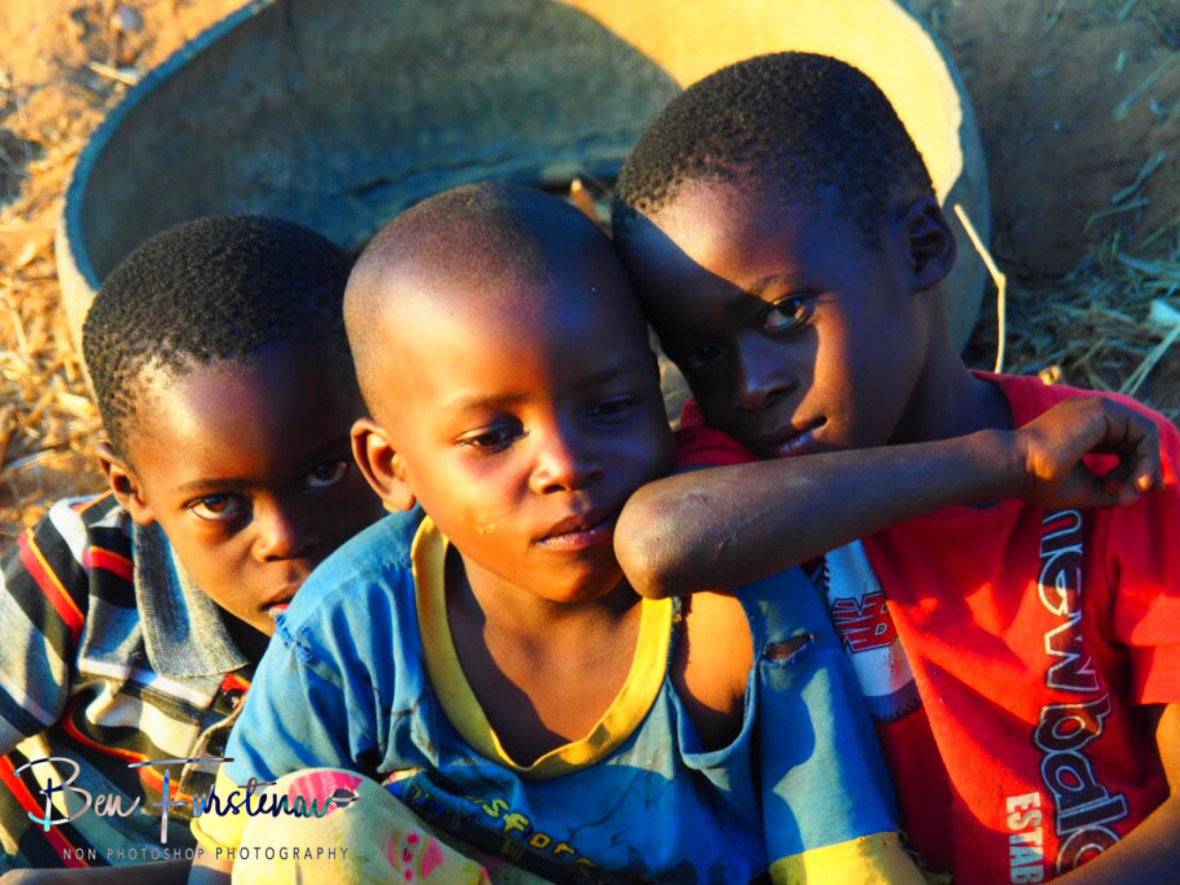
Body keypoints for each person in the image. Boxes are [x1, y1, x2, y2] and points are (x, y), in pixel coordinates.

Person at [189, 183, 1159, 885]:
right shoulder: (351, 628)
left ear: (660, 401)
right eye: (492, 436)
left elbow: (842, 861)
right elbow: (228, 863)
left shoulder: (742, 612)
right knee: (309, 835)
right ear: (390, 466)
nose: (564, 464)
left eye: (610, 406)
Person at [610, 51, 1180, 883]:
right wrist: (1000, 464)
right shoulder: (743, 476)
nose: (750, 383)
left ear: (922, 247)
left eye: (785, 312)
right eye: (701, 352)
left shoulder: (1113, 464)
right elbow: (658, 542)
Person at [0, 216, 383, 881]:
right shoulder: (90, 568)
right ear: (132, 488)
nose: (284, 537)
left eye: (325, 472)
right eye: (218, 502)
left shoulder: (421, 627)